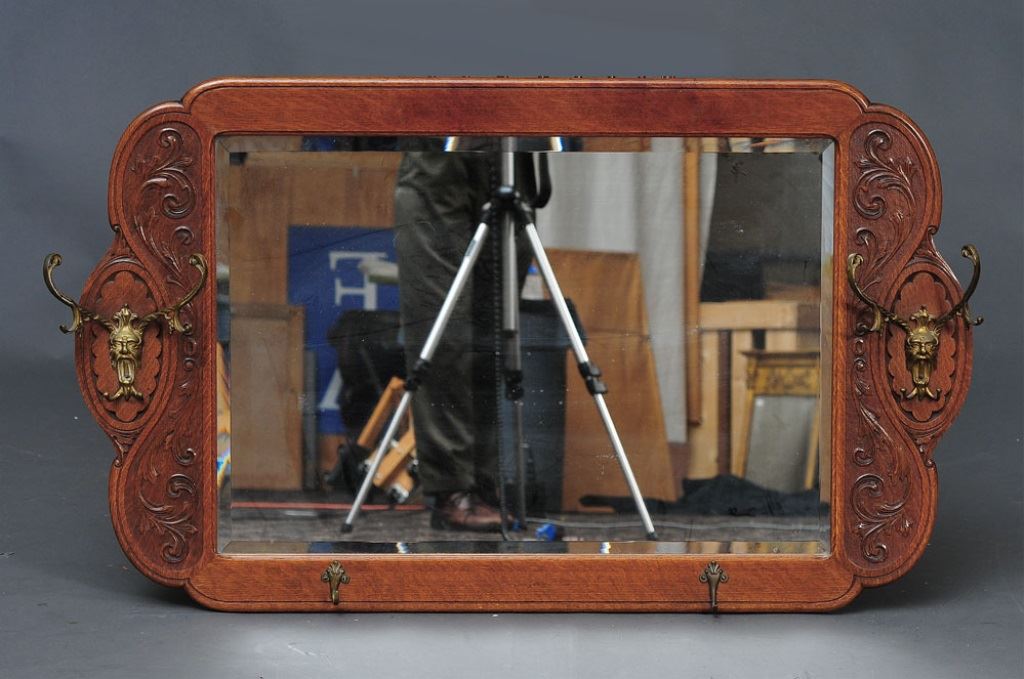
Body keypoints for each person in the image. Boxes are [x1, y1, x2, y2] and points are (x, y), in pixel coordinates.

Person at [393, 139, 532, 532]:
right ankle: (452, 487)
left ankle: (485, 485)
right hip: (441, 155)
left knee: (495, 334)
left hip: (509, 155)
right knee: (444, 329)